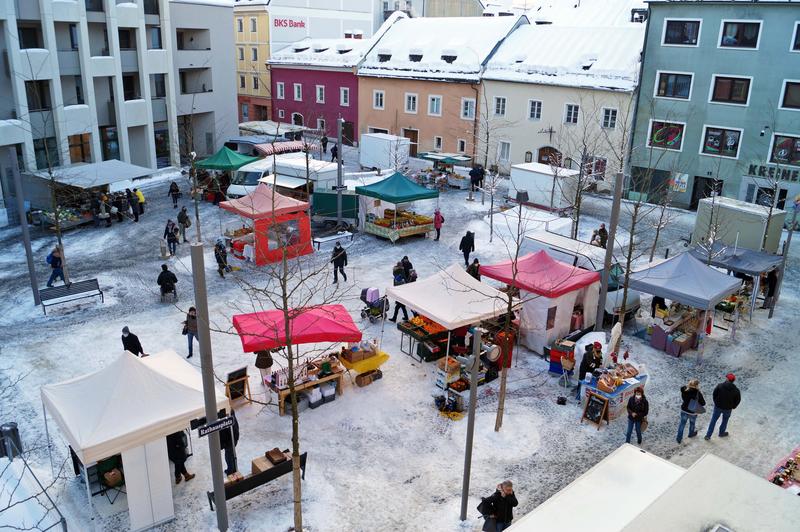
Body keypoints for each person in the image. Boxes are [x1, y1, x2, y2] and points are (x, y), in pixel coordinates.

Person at [705, 373, 741, 440]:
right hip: (728, 409)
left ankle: (708, 435)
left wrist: (716, 402)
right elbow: (738, 400)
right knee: (725, 421)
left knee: (713, 420)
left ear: (727, 379)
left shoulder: (720, 386)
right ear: (733, 381)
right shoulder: (736, 390)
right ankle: (721, 433)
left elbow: (714, 394)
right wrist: (733, 406)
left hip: (718, 407)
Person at [677, 379, 706, 443]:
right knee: (692, 423)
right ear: (696, 385)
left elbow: (683, 396)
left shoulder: (684, 391)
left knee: (682, 424)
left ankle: (679, 438)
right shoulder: (698, 393)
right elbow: (703, 403)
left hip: (684, 409)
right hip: (692, 412)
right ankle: (691, 434)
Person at [218, 410, 240, 478]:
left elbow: (223, 432)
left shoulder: (223, 415)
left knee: (229, 455)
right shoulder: (229, 410)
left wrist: (223, 443)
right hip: (233, 437)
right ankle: (233, 469)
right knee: (231, 453)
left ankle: (231, 471)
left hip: (229, 439)